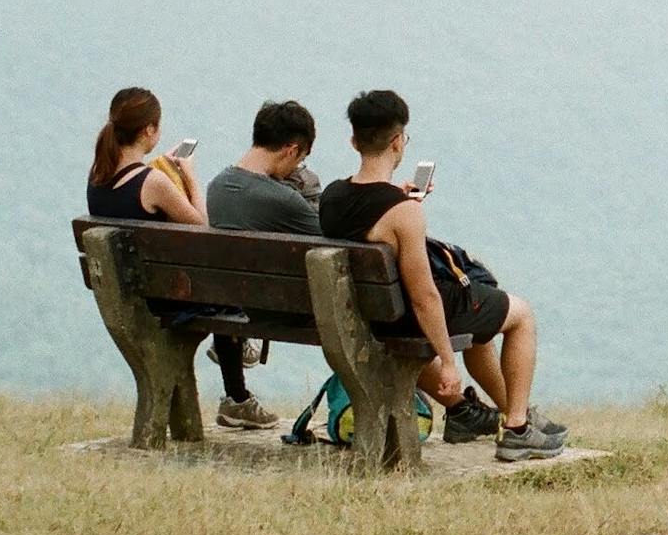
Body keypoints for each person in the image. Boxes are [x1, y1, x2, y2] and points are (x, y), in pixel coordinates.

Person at [318, 89, 566, 462]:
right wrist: (448, 361)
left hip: (368, 315)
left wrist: (398, 198)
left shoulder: (333, 197)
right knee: (521, 315)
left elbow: (370, 213)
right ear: (398, 141)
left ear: (354, 141)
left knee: (485, 316)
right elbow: (425, 296)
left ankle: (516, 413)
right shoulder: (403, 212)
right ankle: (517, 429)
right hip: (409, 316)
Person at [84, 86, 277, 432]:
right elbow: (203, 227)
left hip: (130, 294)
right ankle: (237, 390)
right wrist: (189, 175)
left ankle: (237, 372)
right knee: (227, 283)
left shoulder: (98, 176)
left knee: (219, 286)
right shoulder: (153, 182)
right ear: (149, 130)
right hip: (169, 301)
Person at [206, 100, 323, 237]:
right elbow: (332, 239)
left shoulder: (216, 186)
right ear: (292, 151)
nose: (296, 168)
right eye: (300, 160)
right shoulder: (285, 199)